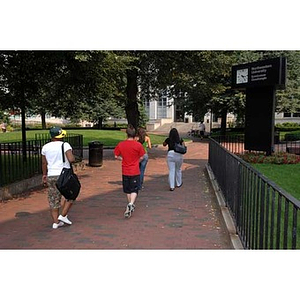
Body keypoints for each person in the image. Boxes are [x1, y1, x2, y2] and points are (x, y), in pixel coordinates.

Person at [41, 126, 76, 229]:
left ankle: (56, 222)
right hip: (63, 174)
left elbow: (44, 162)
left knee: (54, 199)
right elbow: (71, 159)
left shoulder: (45, 147)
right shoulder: (65, 145)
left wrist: (44, 174)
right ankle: (63, 215)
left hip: (51, 175)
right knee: (72, 194)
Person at [114, 124, 146, 218]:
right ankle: (131, 203)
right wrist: (137, 161)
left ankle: (130, 203)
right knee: (134, 189)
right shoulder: (138, 145)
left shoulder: (121, 144)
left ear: (127, 134)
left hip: (125, 170)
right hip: (135, 170)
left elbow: (116, 156)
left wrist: (122, 159)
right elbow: (142, 156)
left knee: (128, 189)